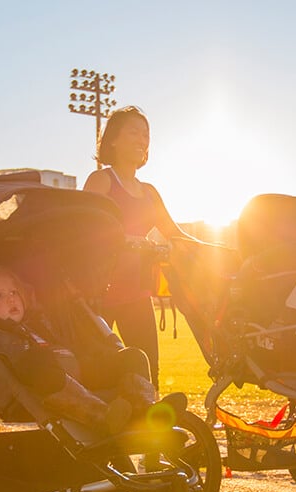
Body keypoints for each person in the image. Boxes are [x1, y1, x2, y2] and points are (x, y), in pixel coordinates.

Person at [82, 106, 192, 391]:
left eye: (146, 134)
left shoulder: (150, 192)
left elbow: (176, 234)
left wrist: (215, 249)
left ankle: (145, 430)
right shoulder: (102, 181)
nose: (142, 139)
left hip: (137, 295)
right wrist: (129, 241)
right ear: (114, 139)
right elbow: (81, 229)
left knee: (147, 375)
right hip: (98, 296)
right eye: (134, 131)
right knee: (94, 373)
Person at [0, 264, 136, 435]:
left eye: (14, 292)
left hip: (73, 377)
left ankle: (141, 408)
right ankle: (100, 416)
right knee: (39, 363)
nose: (11, 299)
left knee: (132, 357)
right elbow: (22, 364)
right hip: (28, 395)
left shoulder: (36, 323)